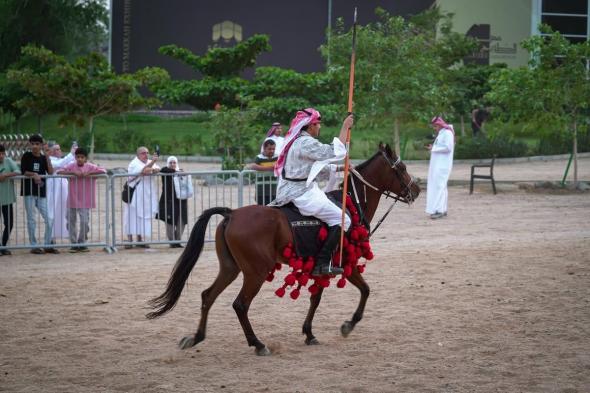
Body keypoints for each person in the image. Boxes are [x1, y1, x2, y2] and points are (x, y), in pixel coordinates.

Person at [270, 108, 353, 275]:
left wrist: (339, 168)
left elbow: (312, 169)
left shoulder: (296, 141)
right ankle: (322, 263)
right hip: (300, 192)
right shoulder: (306, 143)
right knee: (343, 219)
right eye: (318, 124)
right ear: (310, 126)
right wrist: (345, 127)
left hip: (292, 188)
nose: (319, 128)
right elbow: (332, 152)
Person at [58, 148, 106, 252]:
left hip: (86, 200)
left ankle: (82, 242)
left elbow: (103, 171)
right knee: (71, 221)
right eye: (78, 157)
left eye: (82, 157)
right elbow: (59, 171)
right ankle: (74, 243)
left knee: (84, 222)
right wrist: (73, 173)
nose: (80, 159)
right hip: (72, 199)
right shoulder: (71, 166)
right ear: (75, 158)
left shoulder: (90, 167)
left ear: (86, 158)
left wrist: (89, 174)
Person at [20, 134, 59, 254]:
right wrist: (34, 174)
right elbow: (24, 171)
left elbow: (51, 172)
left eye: (37, 144)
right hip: (29, 192)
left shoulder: (43, 158)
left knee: (50, 218)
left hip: (41, 192)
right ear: (29, 144)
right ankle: (34, 245)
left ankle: (47, 244)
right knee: (31, 219)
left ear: (41, 145)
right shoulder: (26, 156)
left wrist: (47, 157)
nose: (35, 146)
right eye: (33, 144)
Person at [123, 146, 160, 248]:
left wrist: (153, 167)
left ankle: (140, 239)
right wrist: (152, 163)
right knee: (131, 216)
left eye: (147, 152)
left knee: (142, 217)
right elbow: (144, 171)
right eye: (143, 153)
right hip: (134, 193)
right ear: (138, 154)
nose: (146, 155)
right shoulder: (134, 163)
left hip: (146, 195)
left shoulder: (149, 161)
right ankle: (129, 240)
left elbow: (157, 168)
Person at [425, 116, 455, 220]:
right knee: (441, 187)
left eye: (435, 126)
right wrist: (433, 148)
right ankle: (442, 209)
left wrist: (434, 148)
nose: (434, 128)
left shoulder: (447, 133)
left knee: (439, 187)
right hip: (438, 165)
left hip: (443, 166)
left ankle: (439, 210)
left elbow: (448, 147)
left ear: (440, 124)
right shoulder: (442, 134)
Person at [47, 141, 76, 242]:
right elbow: (60, 164)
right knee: (52, 210)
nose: (59, 151)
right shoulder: (49, 160)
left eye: (59, 149)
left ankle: (68, 234)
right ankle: (51, 237)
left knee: (66, 210)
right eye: (56, 149)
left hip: (63, 186)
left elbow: (71, 163)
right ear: (50, 151)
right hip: (53, 188)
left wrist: (75, 154)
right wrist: (71, 153)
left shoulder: (62, 160)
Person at [157, 156, 188, 248]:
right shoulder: (165, 171)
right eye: (170, 162)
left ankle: (177, 241)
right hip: (168, 200)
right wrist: (177, 172)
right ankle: (172, 242)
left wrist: (180, 173)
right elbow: (163, 170)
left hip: (181, 200)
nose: (172, 164)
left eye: (174, 162)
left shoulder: (181, 172)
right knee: (169, 221)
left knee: (181, 221)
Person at [0, 144, 20, 255]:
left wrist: (6, 175)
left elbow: (18, 171)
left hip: (7, 198)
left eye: (3, 153)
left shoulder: (8, 161)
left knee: (9, 223)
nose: (1, 156)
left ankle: (3, 245)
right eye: (0, 153)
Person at [249, 139, 278, 205]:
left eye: (273, 149)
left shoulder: (277, 157)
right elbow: (253, 166)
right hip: (261, 190)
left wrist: (263, 168)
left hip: (274, 190)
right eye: (269, 149)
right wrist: (270, 168)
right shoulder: (259, 158)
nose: (272, 151)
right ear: (264, 148)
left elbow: (279, 166)